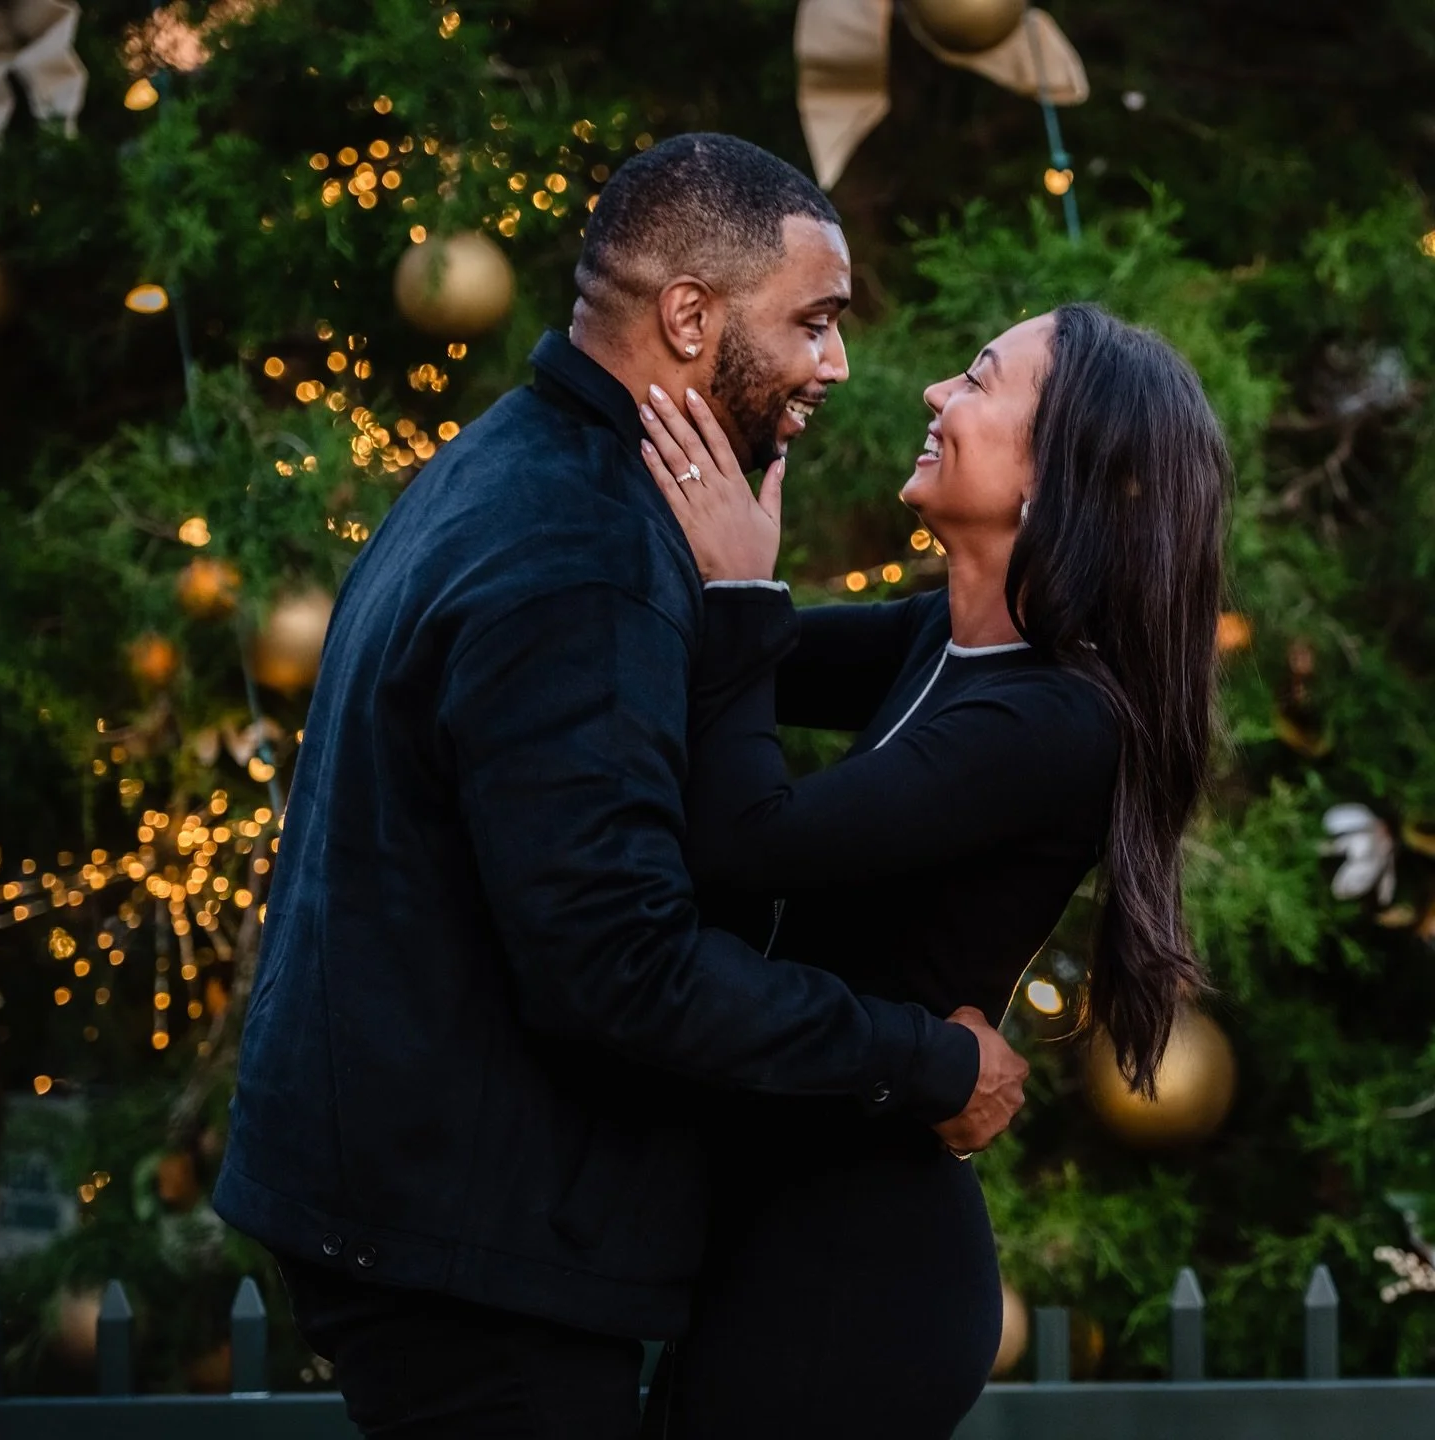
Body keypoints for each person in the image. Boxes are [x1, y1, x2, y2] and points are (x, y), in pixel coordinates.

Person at [211, 133, 1030, 1439]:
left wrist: (744, 600)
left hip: (437, 1209)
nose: (840, 363)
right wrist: (927, 1061)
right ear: (691, 316)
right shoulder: (581, 553)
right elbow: (616, 963)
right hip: (464, 1244)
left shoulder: (531, 467)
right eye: (816, 321)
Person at [634, 301, 1231, 1439]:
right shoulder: (936, 640)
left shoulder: (1058, 721)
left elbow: (749, 835)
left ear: (1053, 482)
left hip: (858, 1279)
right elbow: (719, 660)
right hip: (772, 1228)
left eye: (977, 379)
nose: (932, 395)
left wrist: (743, 588)